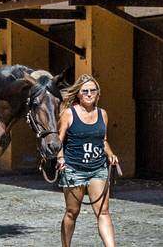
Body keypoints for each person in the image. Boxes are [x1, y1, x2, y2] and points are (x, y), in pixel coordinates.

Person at [56, 74, 119, 247]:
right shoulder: (69, 114)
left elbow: (103, 140)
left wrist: (110, 154)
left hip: (98, 168)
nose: (89, 94)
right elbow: (58, 141)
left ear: (98, 93)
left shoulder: (102, 114)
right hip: (74, 169)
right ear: (78, 93)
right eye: (85, 91)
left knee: (103, 212)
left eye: (93, 90)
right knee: (72, 212)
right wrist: (60, 158)